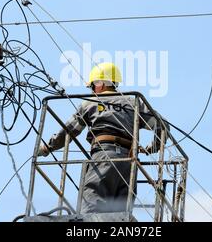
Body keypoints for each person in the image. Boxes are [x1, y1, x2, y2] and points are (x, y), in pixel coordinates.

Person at [38, 62, 169, 214]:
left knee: (91, 211)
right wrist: (154, 147)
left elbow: (69, 131)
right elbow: (162, 125)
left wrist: (47, 147)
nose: (92, 90)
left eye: (92, 86)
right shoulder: (134, 102)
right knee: (120, 216)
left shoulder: (89, 103)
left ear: (100, 83)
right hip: (129, 162)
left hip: (103, 158)